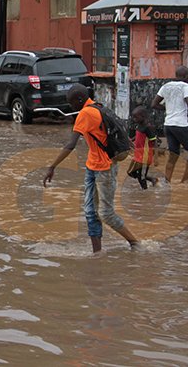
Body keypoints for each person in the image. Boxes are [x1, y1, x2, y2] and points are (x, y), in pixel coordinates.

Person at [43, 84, 139, 253]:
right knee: (90, 212)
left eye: (72, 103)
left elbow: (70, 145)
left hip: (105, 169)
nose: (71, 107)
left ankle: (135, 243)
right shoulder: (99, 107)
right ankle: (97, 253)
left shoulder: (85, 113)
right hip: (92, 166)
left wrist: (52, 167)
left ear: (80, 100)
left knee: (106, 213)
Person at [151, 66, 188, 184]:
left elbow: (154, 104)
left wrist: (168, 108)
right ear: (184, 76)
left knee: (173, 154)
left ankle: (167, 181)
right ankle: (184, 181)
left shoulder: (165, 86)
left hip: (168, 125)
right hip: (181, 125)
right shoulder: (186, 87)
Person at [127, 106, 159, 189]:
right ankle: (152, 179)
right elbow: (138, 134)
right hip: (137, 155)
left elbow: (154, 141)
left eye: (135, 117)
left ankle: (145, 194)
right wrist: (131, 140)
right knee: (130, 172)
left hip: (145, 157)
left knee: (141, 177)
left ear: (143, 116)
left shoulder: (148, 127)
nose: (134, 119)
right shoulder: (139, 125)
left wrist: (156, 157)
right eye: (133, 117)